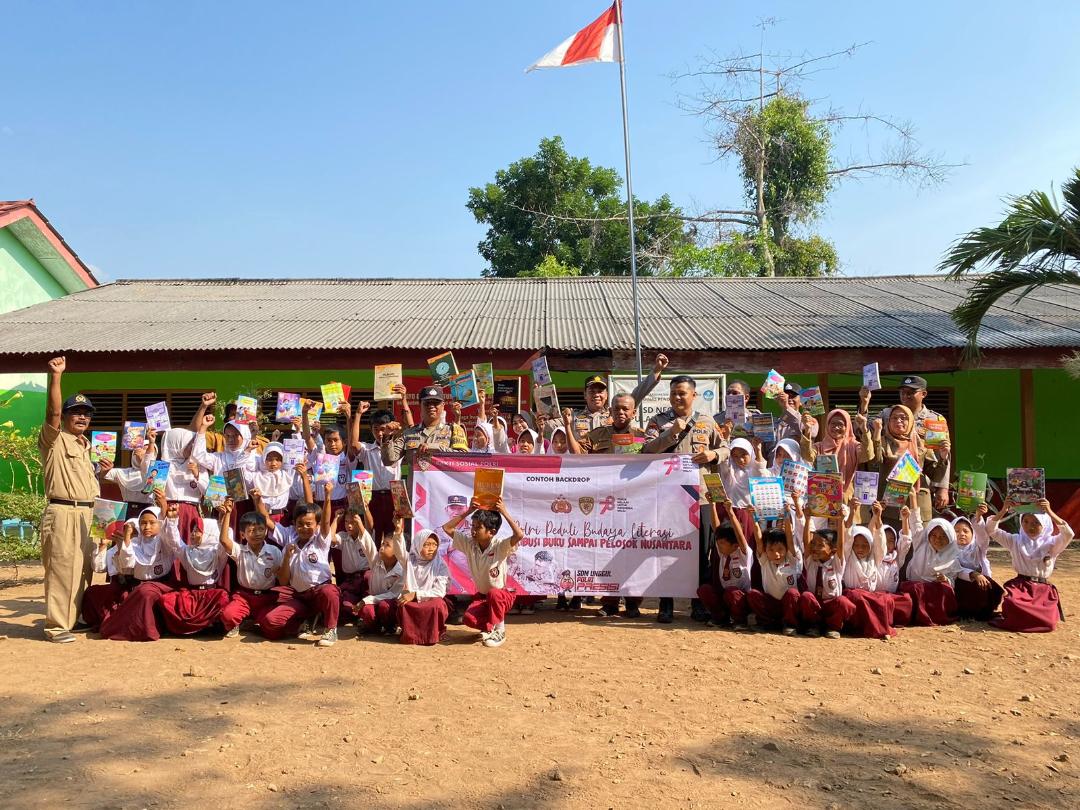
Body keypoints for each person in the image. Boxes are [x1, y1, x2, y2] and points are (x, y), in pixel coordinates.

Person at [642, 375, 729, 624]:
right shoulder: (658, 421)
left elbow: (724, 449)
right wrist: (671, 434)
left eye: (682, 393)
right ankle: (665, 603)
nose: (678, 397)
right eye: (673, 394)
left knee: (701, 553)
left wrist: (712, 454)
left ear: (694, 395)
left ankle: (698, 602)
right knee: (665, 550)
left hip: (700, 497)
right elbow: (646, 451)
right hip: (667, 498)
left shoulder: (706, 421)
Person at [563, 393, 647, 616]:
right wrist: (568, 426)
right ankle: (609, 603)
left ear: (633, 412)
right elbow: (577, 453)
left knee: (631, 554)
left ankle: (632, 603)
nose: (621, 412)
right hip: (605, 506)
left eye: (625, 409)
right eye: (617, 408)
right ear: (610, 411)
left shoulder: (641, 437)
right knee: (607, 553)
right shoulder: (598, 434)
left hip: (632, 505)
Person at [38, 356, 100, 643]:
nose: (81, 417)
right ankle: (56, 626)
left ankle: (73, 619)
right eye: (75, 411)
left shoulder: (86, 446)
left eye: (86, 413)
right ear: (64, 416)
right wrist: (56, 376)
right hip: (62, 512)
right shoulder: (54, 440)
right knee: (62, 568)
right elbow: (50, 412)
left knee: (83, 569)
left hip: (87, 514)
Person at [859, 376, 950, 519]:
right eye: (902, 392)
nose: (905, 396)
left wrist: (943, 488)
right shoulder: (888, 414)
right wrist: (864, 405)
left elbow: (942, 456)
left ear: (923, 394)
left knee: (918, 530)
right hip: (889, 488)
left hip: (920, 485)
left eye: (910, 393)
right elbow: (864, 433)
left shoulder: (935, 420)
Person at [440, 496, 525, 648]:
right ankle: (489, 628)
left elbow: (519, 535)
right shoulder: (469, 544)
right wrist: (468, 511)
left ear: (491, 532)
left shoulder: (500, 546)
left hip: (502, 595)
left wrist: (504, 511)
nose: (473, 530)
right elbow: (447, 528)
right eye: (472, 526)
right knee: (468, 619)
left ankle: (500, 631)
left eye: (478, 527)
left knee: (494, 594)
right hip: (482, 597)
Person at [261, 494, 340, 647]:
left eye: (309, 524)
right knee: (270, 621)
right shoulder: (290, 545)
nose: (304, 528)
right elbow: (284, 581)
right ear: (294, 525)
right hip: (300, 597)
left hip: (319, 592)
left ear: (317, 526)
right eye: (300, 524)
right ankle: (304, 621)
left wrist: (328, 497)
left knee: (330, 592)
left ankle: (330, 628)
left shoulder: (320, 542)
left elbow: (325, 521)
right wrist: (286, 558)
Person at [986, 498, 1073, 633]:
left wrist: (1049, 511)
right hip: (1020, 587)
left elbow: (1068, 534)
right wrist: (1004, 510)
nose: (1030, 526)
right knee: (1012, 603)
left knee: (1049, 624)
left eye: (1036, 522)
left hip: (1042, 590)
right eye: (1025, 522)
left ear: (1044, 524)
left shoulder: (1052, 544)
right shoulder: (1015, 540)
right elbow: (991, 530)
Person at [157, 495, 232, 636]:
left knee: (223, 598)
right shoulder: (187, 551)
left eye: (197, 530)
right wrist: (173, 520)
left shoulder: (217, 552)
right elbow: (174, 543)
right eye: (192, 530)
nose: (192, 534)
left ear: (208, 533)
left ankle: (212, 625)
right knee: (166, 600)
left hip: (211, 595)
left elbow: (225, 541)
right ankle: (192, 627)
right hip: (192, 595)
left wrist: (224, 518)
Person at [99, 506, 176, 641]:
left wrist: (166, 510)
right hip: (138, 586)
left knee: (145, 593)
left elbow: (173, 537)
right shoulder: (136, 543)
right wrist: (126, 538)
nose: (147, 527)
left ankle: (148, 630)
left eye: (152, 523)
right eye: (143, 523)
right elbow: (127, 565)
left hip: (161, 585)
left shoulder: (165, 541)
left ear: (160, 523)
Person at [839, 501, 906, 639]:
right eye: (857, 545)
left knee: (884, 600)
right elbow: (848, 537)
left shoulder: (875, 558)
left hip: (869, 594)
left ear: (870, 546)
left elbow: (880, 542)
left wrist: (878, 517)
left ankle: (882, 629)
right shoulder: (848, 556)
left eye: (865, 545)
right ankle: (873, 630)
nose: (860, 548)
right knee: (859, 598)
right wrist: (852, 512)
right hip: (852, 594)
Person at [568, 354, 669, 440]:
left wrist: (656, 371)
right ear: (585, 394)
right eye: (592, 391)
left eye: (600, 391)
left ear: (606, 395)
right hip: (582, 461)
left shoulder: (615, 412)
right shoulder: (572, 417)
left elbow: (638, 393)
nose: (596, 395)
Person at [350, 393, 408, 542]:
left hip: (394, 496)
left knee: (395, 537)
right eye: (376, 429)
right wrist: (357, 414)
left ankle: (394, 565)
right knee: (372, 535)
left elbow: (411, 431)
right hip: (372, 497)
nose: (380, 433)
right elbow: (353, 445)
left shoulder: (398, 449)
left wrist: (403, 400)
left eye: (383, 429)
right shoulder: (367, 449)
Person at [219, 509, 286, 638]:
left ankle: (255, 622)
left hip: (267, 597)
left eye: (261, 529)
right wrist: (227, 513)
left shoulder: (274, 551)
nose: (257, 534)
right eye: (251, 531)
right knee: (228, 616)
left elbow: (283, 576)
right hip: (244, 596)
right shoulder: (240, 551)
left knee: (272, 625)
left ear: (266, 531)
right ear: (243, 535)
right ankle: (240, 623)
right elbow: (224, 540)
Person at [381, 386, 469, 474]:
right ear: (420, 405)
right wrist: (387, 437)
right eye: (427, 403)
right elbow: (388, 461)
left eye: (436, 403)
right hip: (416, 486)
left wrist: (436, 447)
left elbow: (463, 458)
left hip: (442, 486)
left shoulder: (453, 430)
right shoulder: (408, 433)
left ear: (443, 406)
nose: (431, 406)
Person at [796, 507, 855, 638]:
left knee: (842, 602)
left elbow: (840, 545)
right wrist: (808, 519)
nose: (815, 548)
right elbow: (806, 543)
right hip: (814, 606)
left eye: (820, 545)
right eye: (814, 544)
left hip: (830, 605)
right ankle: (813, 626)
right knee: (806, 596)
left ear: (832, 551)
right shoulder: (811, 561)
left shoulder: (836, 563)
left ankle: (833, 627)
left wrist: (840, 521)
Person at [898, 514, 967, 627]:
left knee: (945, 589)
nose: (937, 540)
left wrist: (945, 579)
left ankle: (935, 616)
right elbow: (916, 524)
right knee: (916, 589)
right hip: (916, 587)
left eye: (943, 536)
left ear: (950, 537)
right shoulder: (921, 545)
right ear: (928, 535)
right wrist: (912, 498)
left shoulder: (953, 557)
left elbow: (953, 579)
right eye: (934, 535)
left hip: (935, 591)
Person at [697, 501, 753, 629]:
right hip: (725, 596)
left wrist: (731, 513)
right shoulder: (723, 553)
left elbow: (739, 536)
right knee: (704, 589)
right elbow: (716, 528)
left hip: (740, 597)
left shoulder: (744, 553)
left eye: (722, 543)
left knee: (731, 592)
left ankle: (740, 620)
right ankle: (720, 617)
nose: (719, 545)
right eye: (719, 543)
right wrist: (712, 505)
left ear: (735, 545)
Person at [347, 517, 406, 636]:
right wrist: (360, 525)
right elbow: (369, 547)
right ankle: (375, 627)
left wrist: (366, 600)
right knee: (367, 610)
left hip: (390, 604)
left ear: (397, 552)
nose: (382, 547)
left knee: (385, 606)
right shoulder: (376, 561)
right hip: (374, 600)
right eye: (382, 543)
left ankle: (391, 626)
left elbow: (393, 594)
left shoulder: (402, 571)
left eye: (387, 545)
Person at [746, 513, 802, 635]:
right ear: (765, 550)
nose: (776, 554)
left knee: (792, 593)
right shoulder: (765, 561)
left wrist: (787, 516)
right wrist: (753, 518)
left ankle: (790, 624)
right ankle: (765, 623)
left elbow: (789, 540)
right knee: (753, 594)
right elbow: (759, 540)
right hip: (770, 604)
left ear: (786, 549)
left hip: (789, 606)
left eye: (780, 550)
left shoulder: (791, 559)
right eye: (771, 550)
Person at [397, 529, 452, 645]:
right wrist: (397, 531)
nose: (431, 548)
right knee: (403, 603)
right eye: (426, 545)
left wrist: (416, 595)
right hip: (412, 600)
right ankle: (411, 636)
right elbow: (398, 550)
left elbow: (439, 591)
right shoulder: (409, 560)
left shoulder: (441, 565)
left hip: (429, 599)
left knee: (438, 604)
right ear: (418, 545)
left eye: (434, 545)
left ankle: (434, 634)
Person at [952, 507, 1004, 620]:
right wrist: (974, 574)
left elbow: (983, 537)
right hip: (959, 584)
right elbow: (956, 569)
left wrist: (978, 517)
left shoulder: (978, 547)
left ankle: (983, 612)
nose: (961, 534)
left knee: (986, 583)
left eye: (966, 531)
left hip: (980, 583)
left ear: (972, 533)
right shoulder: (948, 551)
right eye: (956, 531)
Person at [82, 520, 134, 630]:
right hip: (114, 587)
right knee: (91, 592)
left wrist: (123, 548)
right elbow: (99, 568)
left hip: (132, 588)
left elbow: (128, 567)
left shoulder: (139, 548)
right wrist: (103, 545)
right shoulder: (112, 551)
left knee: (125, 596)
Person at [330, 506, 375, 625]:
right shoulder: (343, 537)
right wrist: (336, 519)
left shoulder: (366, 537)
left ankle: (364, 613)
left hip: (366, 579)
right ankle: (357, 614)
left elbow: (369, 528)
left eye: (353, 522)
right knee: (346, 607)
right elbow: (331, 538)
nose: (349, 526)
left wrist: (360, 523)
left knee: (369, 579)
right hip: (351, 580)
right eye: (346, 522)